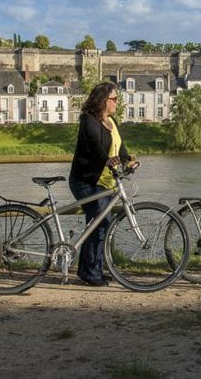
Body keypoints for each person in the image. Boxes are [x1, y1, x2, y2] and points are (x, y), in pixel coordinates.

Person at [68, 82, 132, 286]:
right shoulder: (89, 121)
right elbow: (95, 146)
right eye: (114, 99)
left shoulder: (113, 122)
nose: (116, 103)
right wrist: (106, 159)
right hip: (87, 180)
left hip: (108, 181)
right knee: (99, 222)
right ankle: (89, 272)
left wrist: (128, 159)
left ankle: (94, 268)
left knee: (102, 224)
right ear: (103, 100)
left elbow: (120, 148)